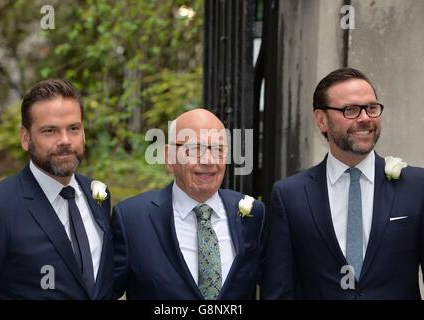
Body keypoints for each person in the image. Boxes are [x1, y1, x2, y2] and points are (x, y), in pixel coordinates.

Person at [261, 67, 424, 299]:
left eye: (371, 108)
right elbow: (279, 291)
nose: (365, 118)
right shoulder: (289, 196)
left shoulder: (417, 186)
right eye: (351, 110)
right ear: (321, 120)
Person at [0, 79, 114, 299]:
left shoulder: (99, 195)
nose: (65, 140)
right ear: (25, 138)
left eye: (74, 128)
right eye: (50, 131)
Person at [112, 108, 265, 299]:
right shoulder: (132, 220)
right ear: (169, 157)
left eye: (218, 149)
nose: (208, 160)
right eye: (195, 149)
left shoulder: (253, 215)